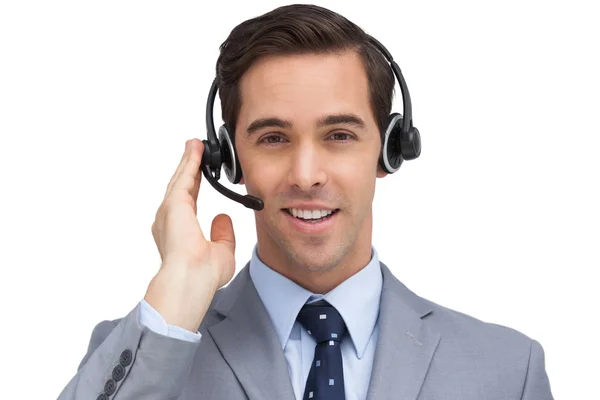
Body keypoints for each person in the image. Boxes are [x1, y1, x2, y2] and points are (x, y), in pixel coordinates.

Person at [57, 4, 553, 400]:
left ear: (389, 151)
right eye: (273, 138)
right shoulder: (146, 347)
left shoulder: (509, 369)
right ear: (228, 161)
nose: (306, 176)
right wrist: (175, 297)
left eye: (339, 135)